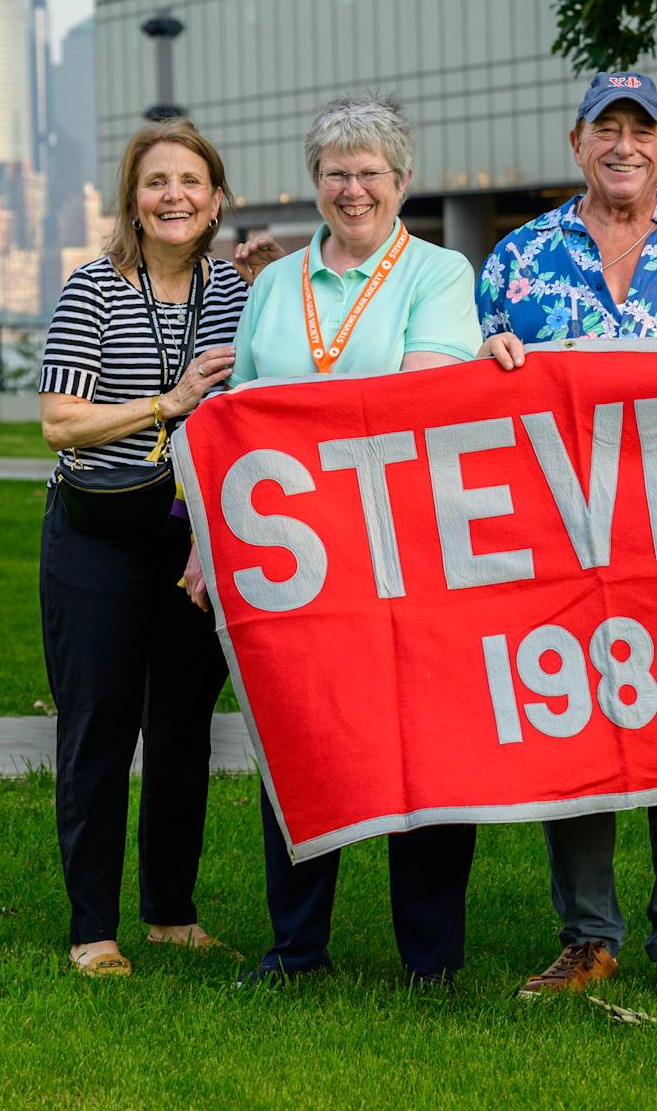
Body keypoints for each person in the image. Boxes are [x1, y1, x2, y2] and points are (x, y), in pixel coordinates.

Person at [477, 69, 657, 1013]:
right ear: (578, 143)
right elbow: (472, 402)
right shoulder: (517, 259)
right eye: (609, 128)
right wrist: (490, 363)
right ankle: (588, 938)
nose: (625, 145)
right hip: (560, 536)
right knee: (576, 724)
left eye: (643, 130)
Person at [188, 93, 483, 991]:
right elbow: (235, 421)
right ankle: (295, 950)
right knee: (300, 740)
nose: (353, 191)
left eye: (369, 174)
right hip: (290, 560)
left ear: (402, 182)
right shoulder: (274, 285)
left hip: (405, 550)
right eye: (335, 174)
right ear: (314, 182)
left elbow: (420, 402)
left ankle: (429, 959)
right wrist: (209, 541)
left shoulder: (439, 274)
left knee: (422, 746)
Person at [38, 119, 247, 977]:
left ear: (216, 199)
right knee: (99, 728)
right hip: (96, 535)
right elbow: (57, 420)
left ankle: (169, 913)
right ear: (133, 198)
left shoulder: (233, 293)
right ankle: (93, 929)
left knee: (182, 731)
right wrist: (166, 403)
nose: (174, 196)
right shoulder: (92, 290)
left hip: (191, 540)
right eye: (156, 181)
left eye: (190, 182)